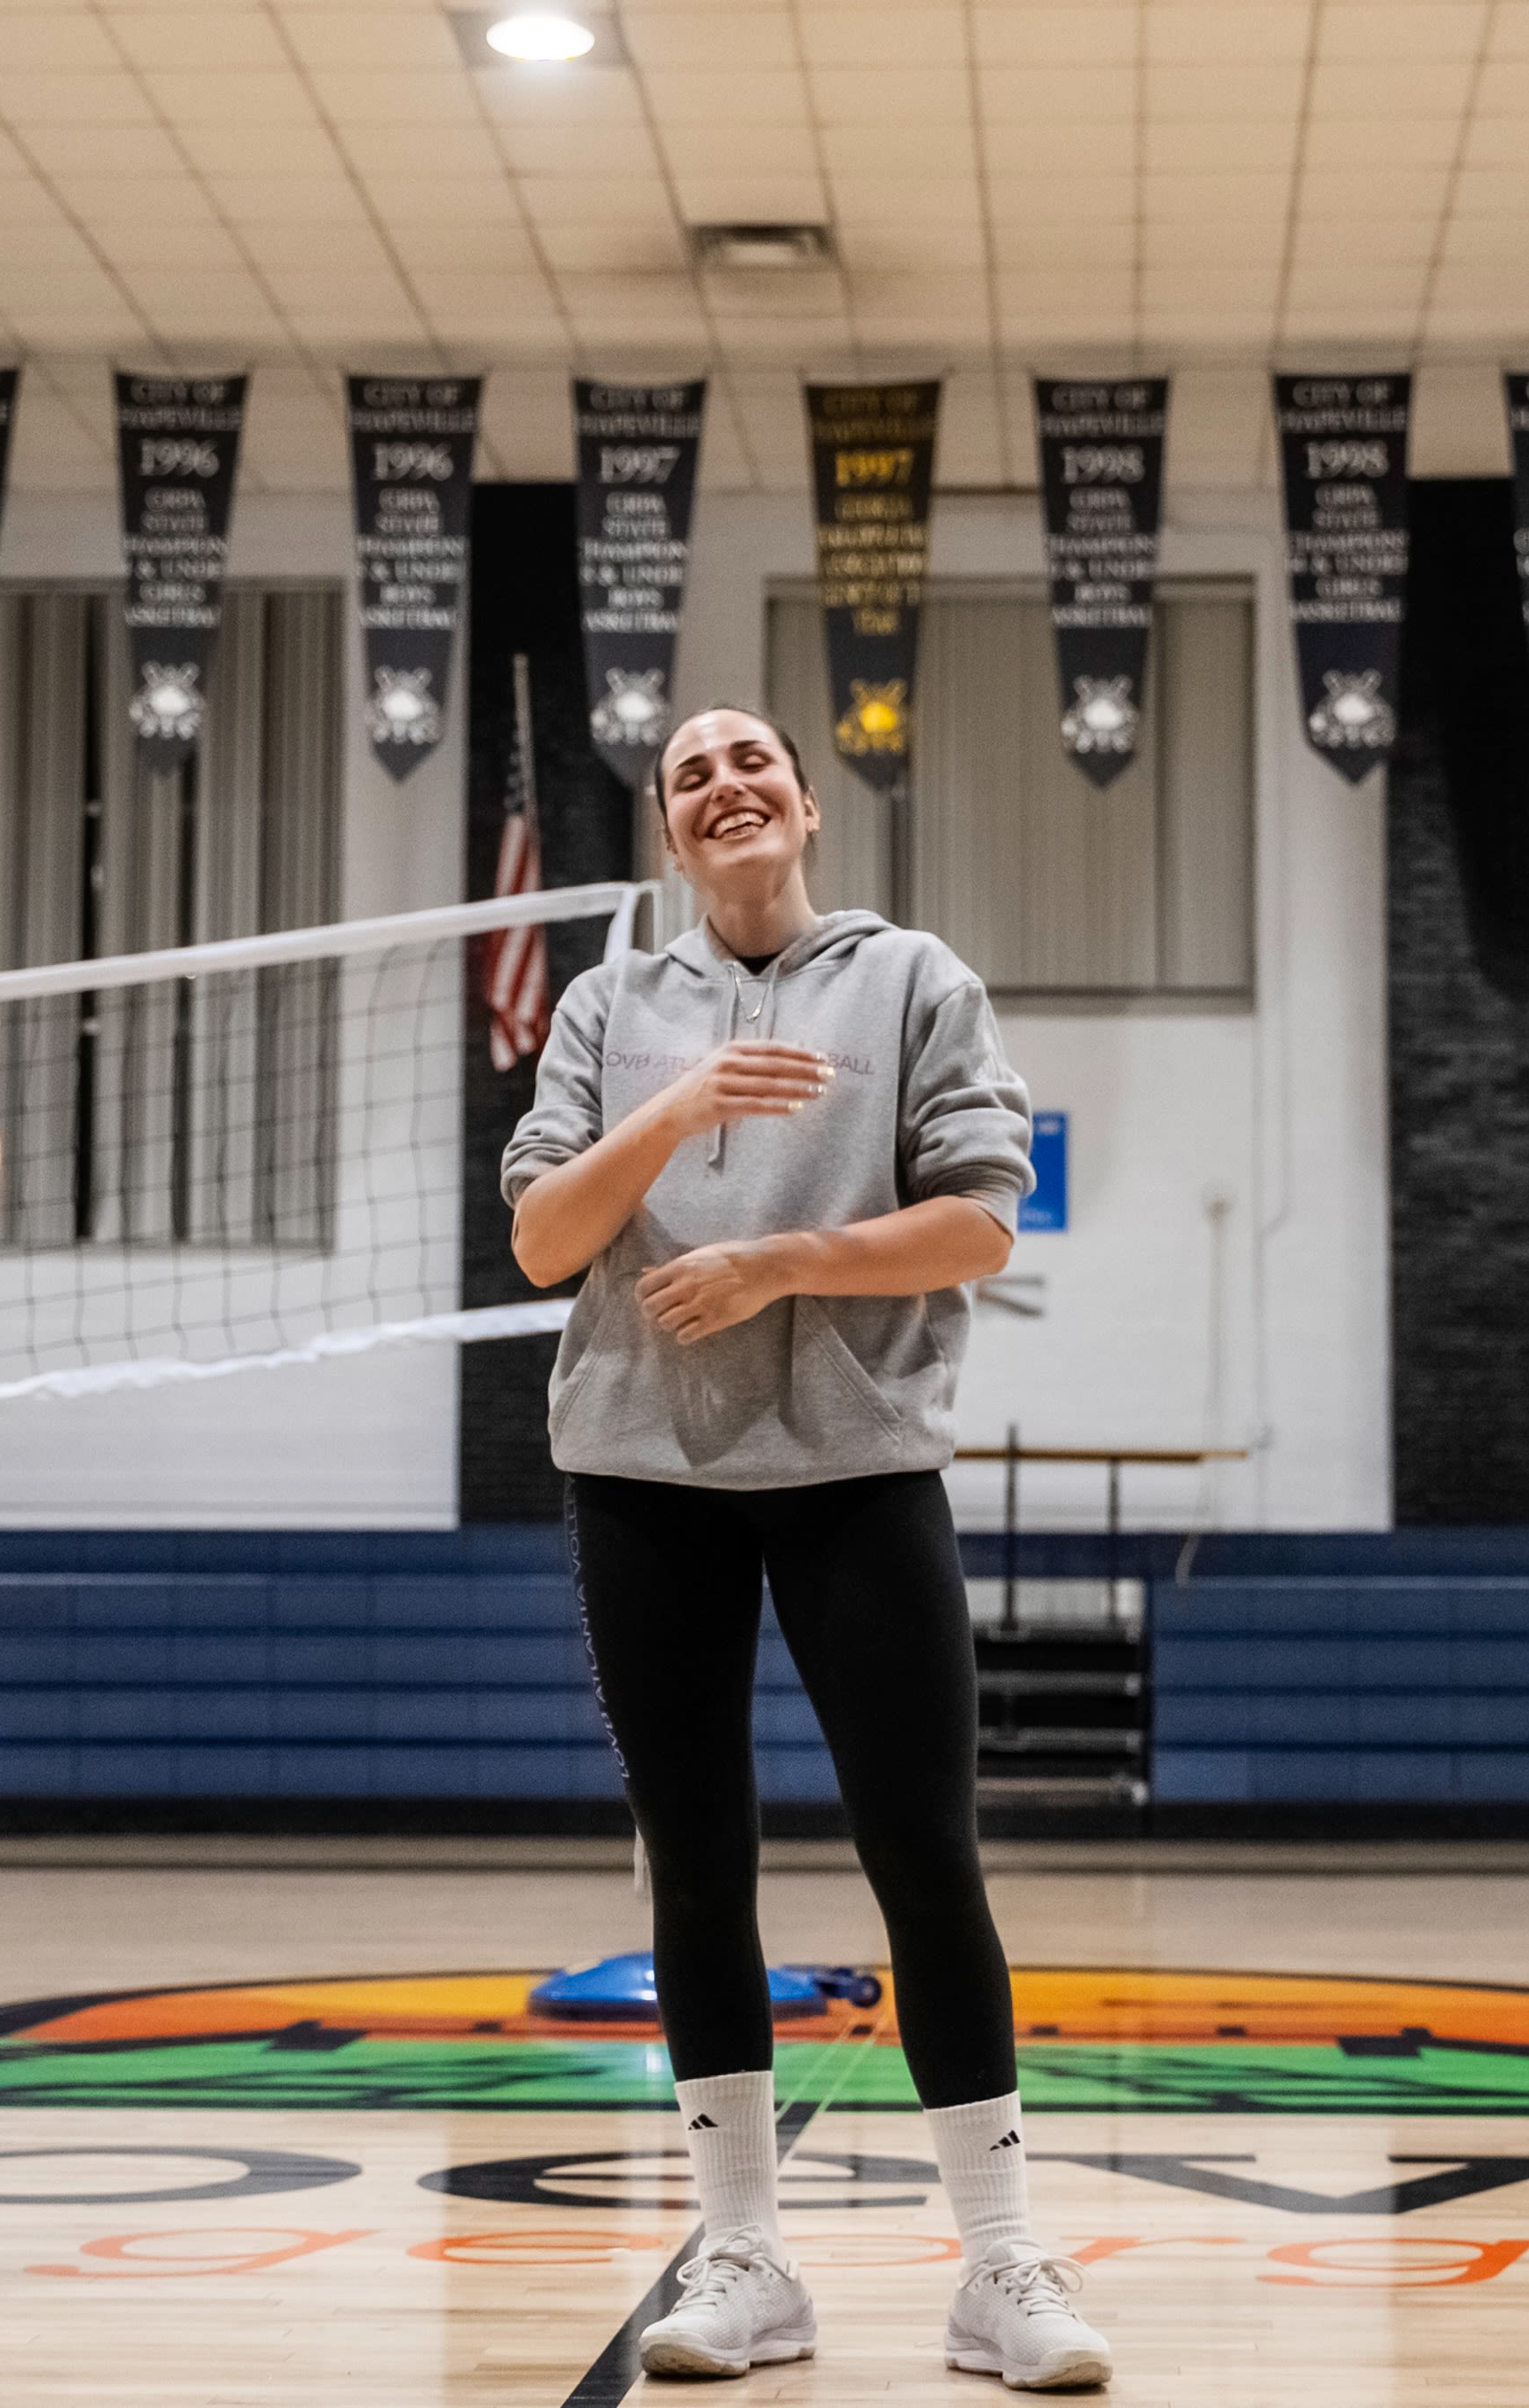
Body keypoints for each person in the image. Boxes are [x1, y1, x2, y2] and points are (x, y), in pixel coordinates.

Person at [502, 705, 1110, 2390]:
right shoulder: (608, 1007)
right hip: (643, 1476)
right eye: (690, 772)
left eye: (749, 758)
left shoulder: (913, 980)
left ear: (805, 804)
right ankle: (745, 2259)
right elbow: (548, 1236)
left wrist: (777, 1264)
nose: (724, 782)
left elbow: (981, 1219)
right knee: (695, 1866)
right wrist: (674, 1104)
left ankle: (1001, 2268)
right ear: (670, 835)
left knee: (926, 1856)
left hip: (857, 1472)